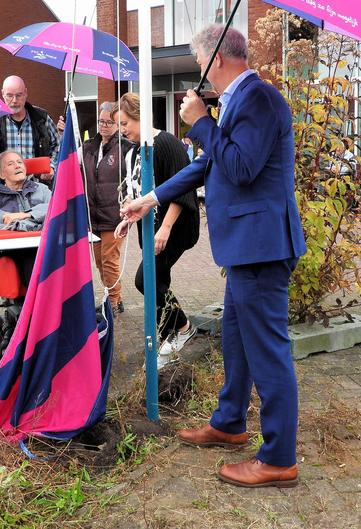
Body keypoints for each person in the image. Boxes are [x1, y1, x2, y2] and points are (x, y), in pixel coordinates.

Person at [121, 25, 306, 488]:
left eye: (199, 63)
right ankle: (229, 423)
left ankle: (279, 457)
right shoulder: (242, 102)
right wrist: (152, 198)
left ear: (215, 59)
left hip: (262, 247)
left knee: (267, 351)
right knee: (237, 340)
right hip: (248, 247)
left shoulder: (259, 99)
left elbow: (241, 169)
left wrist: (202, 121)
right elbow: (209, 162)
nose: (198, 74)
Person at [111, 93, 200, 369]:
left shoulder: (166, 143)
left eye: (125, 123)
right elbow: (143, 196)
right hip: (154, 228)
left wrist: (166, 228)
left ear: (140, 115)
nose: (122, 130)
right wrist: (129, 220)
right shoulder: (136, 150)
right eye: (119, 125)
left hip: (174, 226)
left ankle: (183, 328)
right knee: (159, 282)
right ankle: (167, 338)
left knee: (145, 281)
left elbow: (181, 190)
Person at [82, 102, 134, 314]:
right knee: (100, 262)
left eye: (109, 122)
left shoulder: (125, 147)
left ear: (117, 123)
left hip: (114, 215)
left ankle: (113, 301)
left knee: (109, 260)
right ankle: (113, 297)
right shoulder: (89, 147)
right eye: (101, 121)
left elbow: (131, 179)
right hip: (93, 216)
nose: (104, 126)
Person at [0, 150, 51, 288]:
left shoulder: (42, 189)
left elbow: (57, 208)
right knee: (30, 261)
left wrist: (25, 215)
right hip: (10, 250)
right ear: (1, 174)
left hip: (43, 246)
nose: (17, 166)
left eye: (20, 162)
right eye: (11, 163)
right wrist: (6, 218)